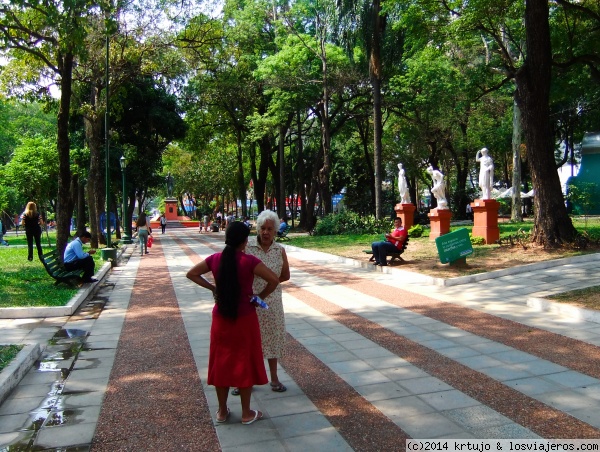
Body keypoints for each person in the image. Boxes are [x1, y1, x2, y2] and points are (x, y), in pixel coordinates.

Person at [186, 222, 280, 425]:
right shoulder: (249, 261)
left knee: (221, 362)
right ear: (245, 241)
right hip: (245, 318)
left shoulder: (215, 259)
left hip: (221, 318)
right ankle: (246, 412)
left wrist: (213, 288)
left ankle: (221, 411)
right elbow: (274, 280)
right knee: (244, 362)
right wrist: (257, 297)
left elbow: (191, 273)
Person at [232, 210, 290, 396]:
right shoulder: (247, 249)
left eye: (270, 229)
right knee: (247, 341)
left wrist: (271, 284)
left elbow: (285, 275)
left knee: (272, 340)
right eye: (263, 228)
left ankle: (274, 378)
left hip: (272, 303)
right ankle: (243, 380)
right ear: (257, 229)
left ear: (275, 231)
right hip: (250, 303)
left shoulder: (279, 250)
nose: (266, 232)